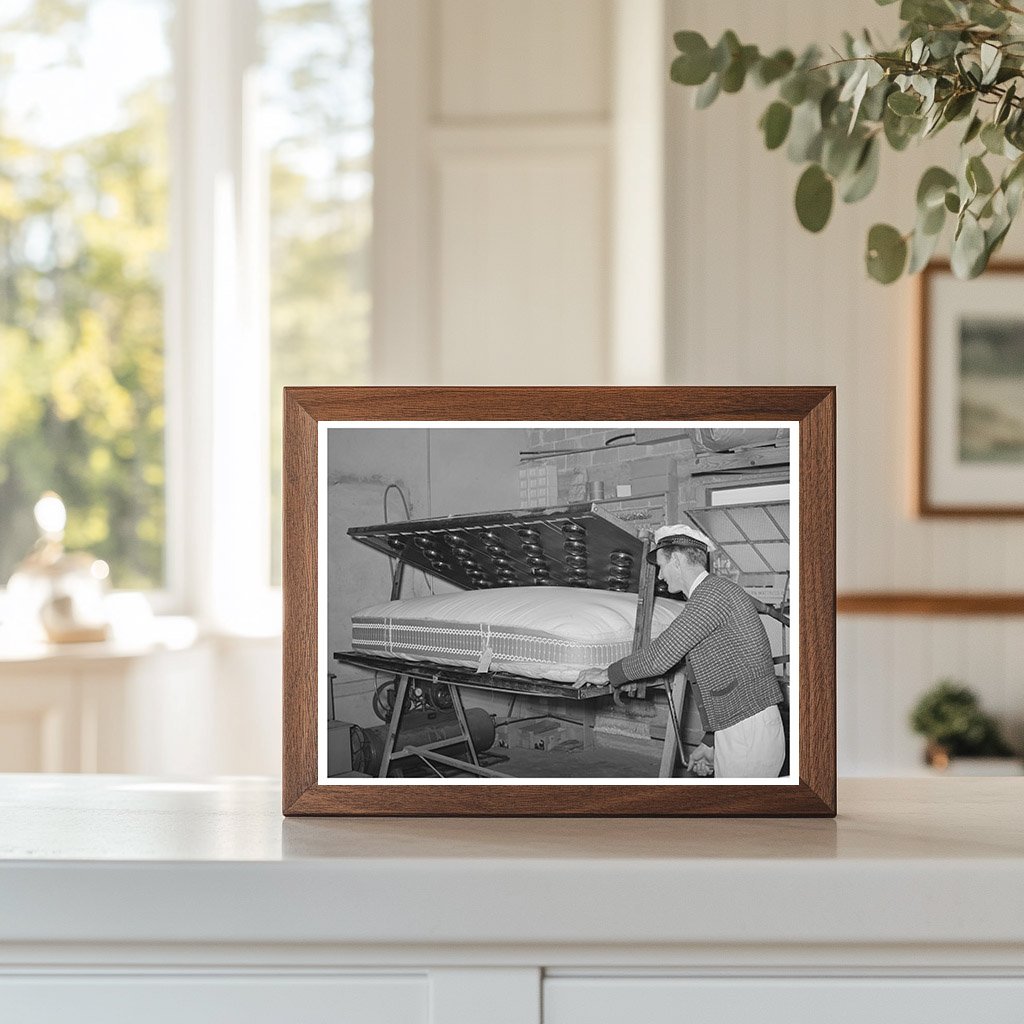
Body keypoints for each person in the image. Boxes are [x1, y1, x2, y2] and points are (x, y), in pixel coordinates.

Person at [574, 524, 785, 779]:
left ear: (676, 559)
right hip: (742, 728)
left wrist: (608, 673)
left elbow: (661, 656)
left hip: (747, 734)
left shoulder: (711, 595)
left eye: (661, 566)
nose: (660, 576)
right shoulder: (713, 592)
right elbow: (727, 673)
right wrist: (711, 741)